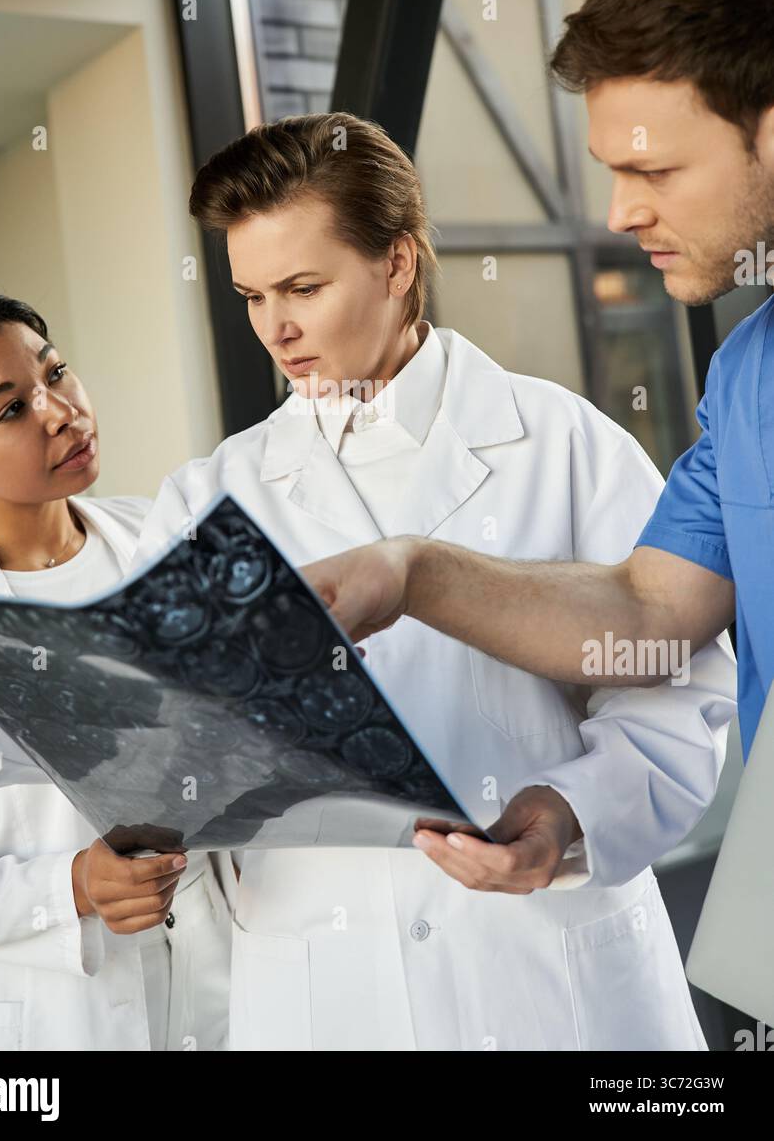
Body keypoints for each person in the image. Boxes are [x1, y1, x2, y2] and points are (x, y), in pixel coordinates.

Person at [128, 112, 736, 1051]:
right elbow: (156, 742)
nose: (275, 329)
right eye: (252, 295)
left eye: (303, 287)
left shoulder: (562, 445)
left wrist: (571, 814)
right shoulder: (207, 499)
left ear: (398, 264)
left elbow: (679, 684)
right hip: (323, 986)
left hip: (544, 973)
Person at [300, 0, 774, 897]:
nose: (618, 212)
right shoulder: (746, 375)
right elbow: (649, 616)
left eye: (652, 170)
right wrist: (412, 572)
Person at [0, 292, 230, 1051]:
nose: (60, 412)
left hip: (212, 989)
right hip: (42, 1031)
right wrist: (75, 887)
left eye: (55, 373)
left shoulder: (163, 544)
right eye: (10, 410)